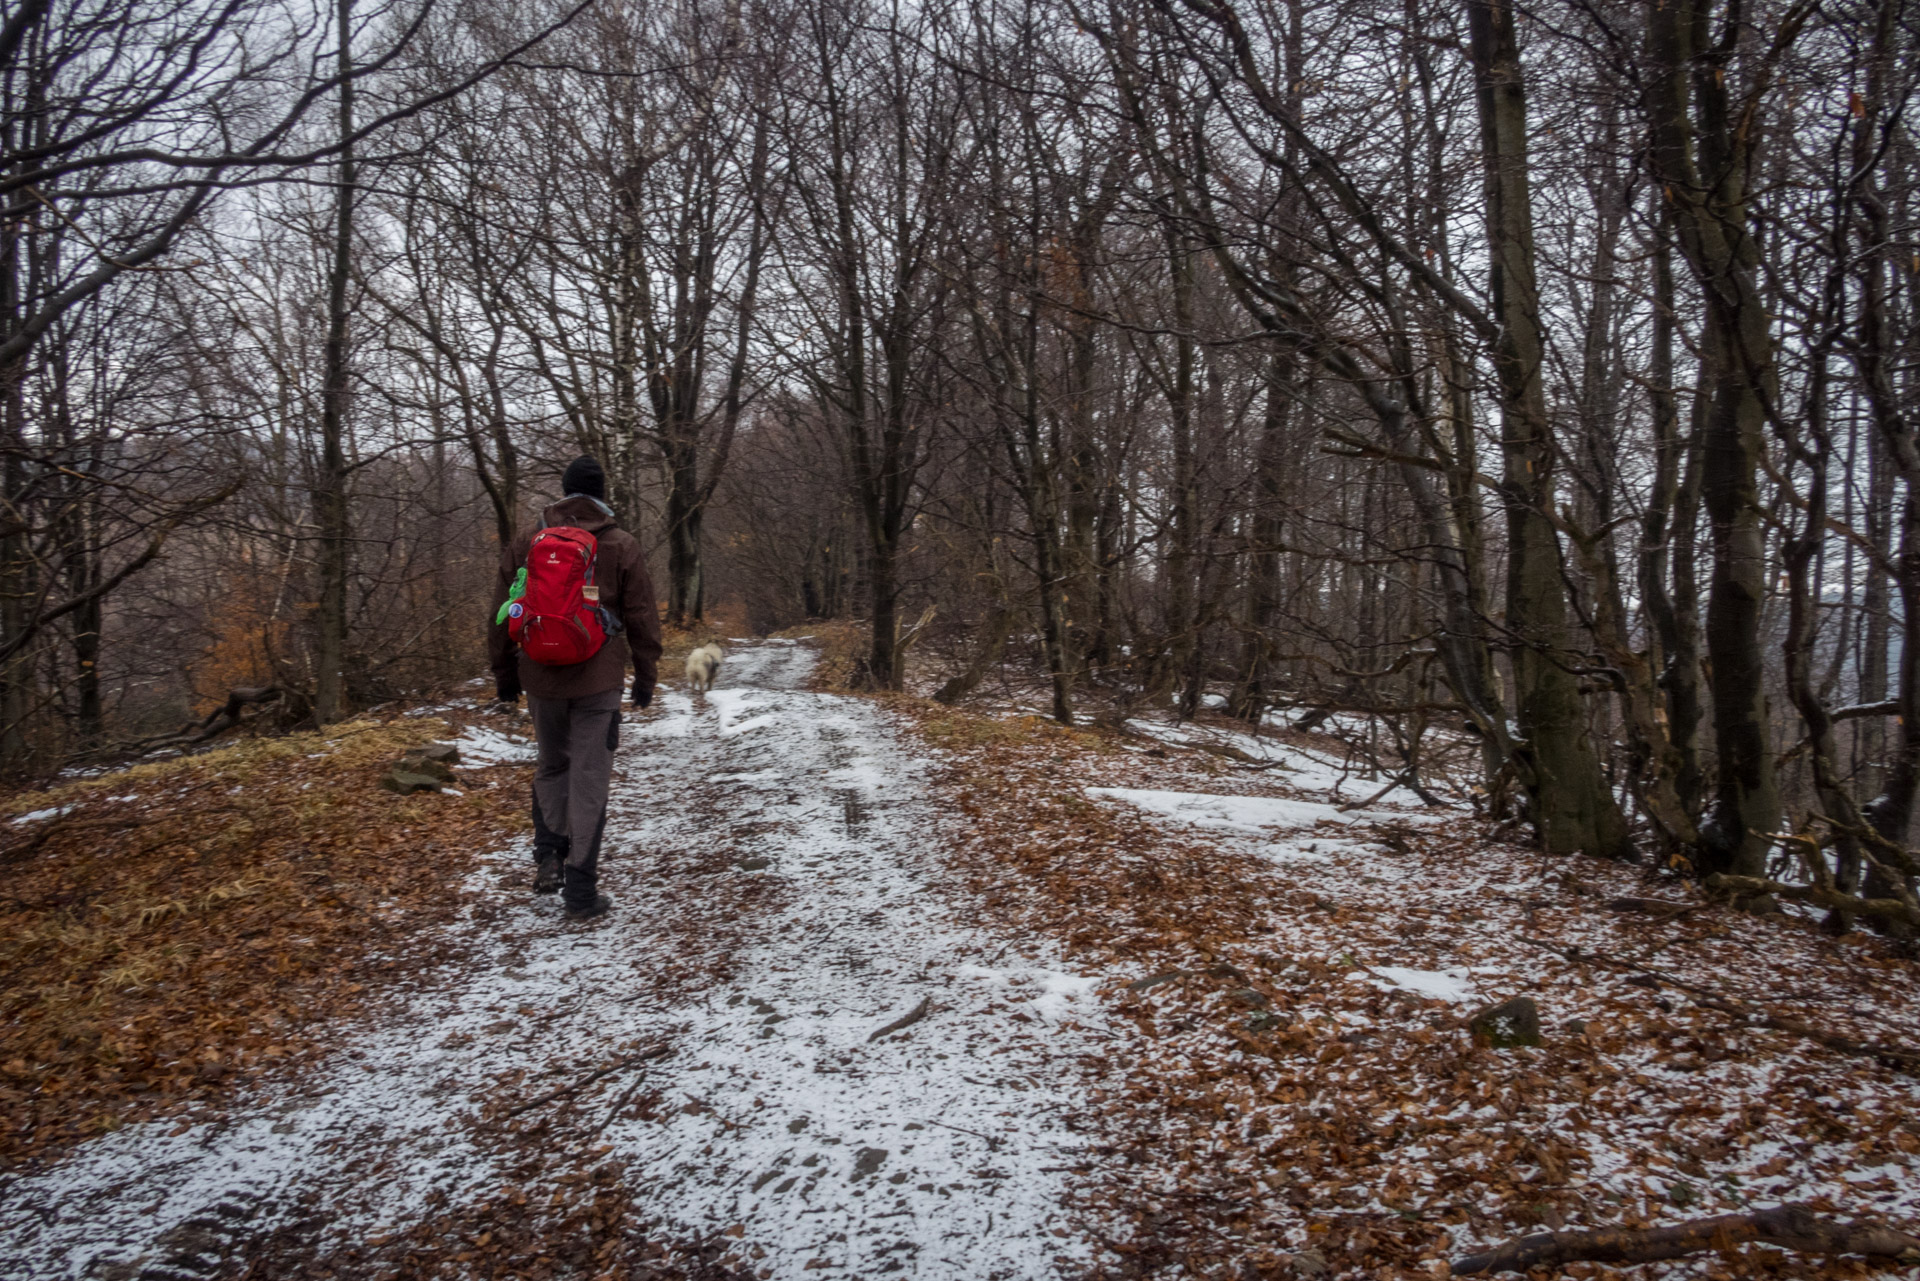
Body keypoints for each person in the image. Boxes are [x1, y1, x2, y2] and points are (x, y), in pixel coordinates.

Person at [488, 456, 662, 921]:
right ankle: (581, 890)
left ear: (563, 491)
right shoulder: (621, 543)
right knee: (588, 776)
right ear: (602, 494)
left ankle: (548, 855)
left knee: (552, 764)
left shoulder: (529, 540)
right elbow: (642, 615)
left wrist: (505, 676)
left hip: (540, 676)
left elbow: (502, 610)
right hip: (598, 681)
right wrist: (646, 678)